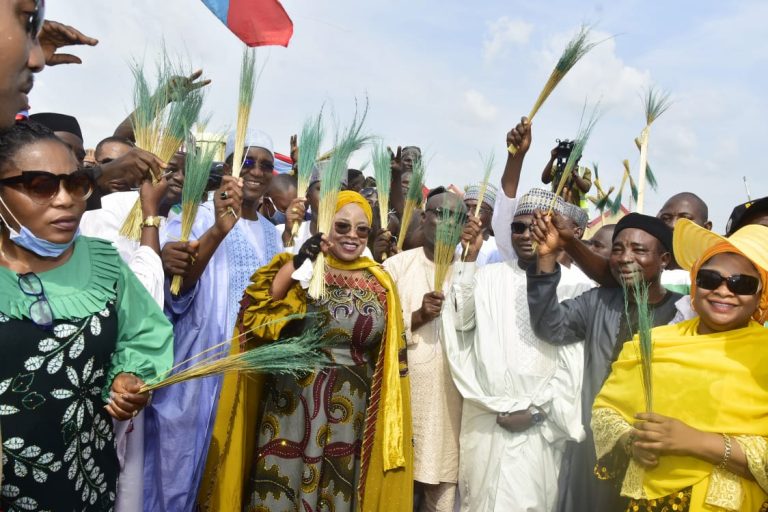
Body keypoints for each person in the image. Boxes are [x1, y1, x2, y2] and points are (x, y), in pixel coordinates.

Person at [199, 191, 414, 512]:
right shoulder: (303, 267)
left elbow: (389, 356)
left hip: (351, 414)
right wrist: (299, 261)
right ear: (326, 224)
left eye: (362, 230)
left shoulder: (381, 282)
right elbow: (261, 315)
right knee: (282, 485)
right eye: (342, 226)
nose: (352, 236)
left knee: (337, 489)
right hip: (292, 405)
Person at [0, 120, 172, 510]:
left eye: (76, 184)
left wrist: (129, 377)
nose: (66, 200)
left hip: (85, 481)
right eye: (41, 186)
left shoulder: (104, 263)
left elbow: (142, 334)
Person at [144, 129, 284, 512]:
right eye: (248, 162)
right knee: (176, 471)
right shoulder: (194, 216)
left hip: (248, 370)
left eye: (266, 165)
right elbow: (177, 288)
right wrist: (219, 230)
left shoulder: (273, 235)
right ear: (228, 169)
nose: (257, 171)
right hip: (198, 364)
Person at [592, 219, 768, 510]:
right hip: (647, 499)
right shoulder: (653, 341)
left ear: (761, 295)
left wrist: (696, 442)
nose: (724, 291)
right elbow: (605, 411)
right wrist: (631, 441)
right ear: (695, 284)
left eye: (742, 284)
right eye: (710, 279)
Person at [527, 212, 686, 512]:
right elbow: (549, 327)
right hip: (594, 449)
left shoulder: (684, 314)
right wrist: (546, 258)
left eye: (639, 250)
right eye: (618, 249)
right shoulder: (598, 301)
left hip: (655, 452)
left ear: (664, 259)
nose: (625, 258)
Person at [445, 188, 592, 511]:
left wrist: (538, 413)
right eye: (518, 227)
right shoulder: (488, 276)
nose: (526, 235)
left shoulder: (576, 288)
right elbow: (460, 323)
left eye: (535, 227)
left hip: (539, 429)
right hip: (486, 418)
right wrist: (467, 262)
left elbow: (574, 369)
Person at [382, 188, 483, 512]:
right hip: (404, 398)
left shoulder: (473, 275)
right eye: (441, 214)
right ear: (424, 217)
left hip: (450, 407)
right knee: (396, 484)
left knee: (440, 489)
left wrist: (469, 261)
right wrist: (417, 317)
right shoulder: (396, 267)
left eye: (457, 218)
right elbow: (375, 330)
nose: (448, 222)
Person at [462, 182, 501, 265]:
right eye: (466, 207)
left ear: (492, 215)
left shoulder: (497, 251)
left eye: (478, 210)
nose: (468, 213)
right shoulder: (457, 244)